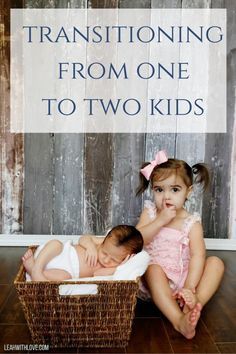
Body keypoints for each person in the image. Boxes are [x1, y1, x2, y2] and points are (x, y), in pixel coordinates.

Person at [136, 150, 224, 339]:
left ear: (188, 192)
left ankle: (194, 302)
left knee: (216, 262)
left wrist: (190, 287)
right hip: (156, 282)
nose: (166, 197)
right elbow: (138, 240)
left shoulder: (191, 222)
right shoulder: (150, 213)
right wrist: (159, 221)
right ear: (153, 189)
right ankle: (178, 320)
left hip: (184, 278)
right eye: (159, 190)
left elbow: (197, 256)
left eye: (174, 190)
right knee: (152, 269)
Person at [22, 225, 143, 281]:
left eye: (114, 260)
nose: (106, 260)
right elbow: (83, 238)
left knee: (64, 278)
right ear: (104, 241)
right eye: (104, 253)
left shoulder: (116, 267)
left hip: (68, 271)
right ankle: (37, 267)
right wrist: (90, 246)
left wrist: (120, 267)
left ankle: (35, 271)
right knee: (56, 244)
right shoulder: (101, 242)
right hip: (61, 254)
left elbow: (97, 273)